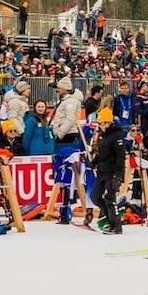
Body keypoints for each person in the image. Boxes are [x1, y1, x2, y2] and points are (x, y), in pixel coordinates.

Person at [50, 78, 87, 224]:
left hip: (67, 139)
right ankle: (65, 209)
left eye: (59, 88)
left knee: (67, 174)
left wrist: (60, 133)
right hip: (66, 139)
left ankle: (68, 209)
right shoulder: (67, 101)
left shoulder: (70, 102)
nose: (57, 90)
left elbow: (70, 119)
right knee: (65, 175)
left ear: (65, 88)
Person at [88, 113, 130, 235]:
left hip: (112, 172)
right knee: (95, 197)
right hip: (102, 171)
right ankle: (109, 219)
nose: (100, 126)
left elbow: (120, 157)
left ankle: (116, 226)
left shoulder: (117, 135)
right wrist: (94, 162)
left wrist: (118, 175)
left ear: (108, 123)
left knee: (109, 198)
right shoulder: (103, 135)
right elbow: (101, 153)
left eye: (101, 123)